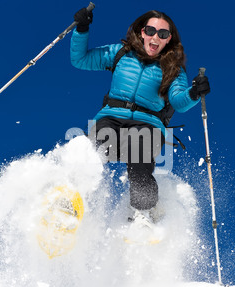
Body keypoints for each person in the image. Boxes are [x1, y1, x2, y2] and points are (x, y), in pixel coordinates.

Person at [70, 8, 211, 226]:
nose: (156, 37)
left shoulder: (172, 69)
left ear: (168, 40)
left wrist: (193, 93)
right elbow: (80, 59)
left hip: (148, 123)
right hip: (112, 117)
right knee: (92, 149)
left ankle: (142, 213)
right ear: (142, 32)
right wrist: (81, 29)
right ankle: (70, 202)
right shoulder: (120, 53)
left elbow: (178, 101)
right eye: (151, 30)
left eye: (163, 34)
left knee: (139, 155)